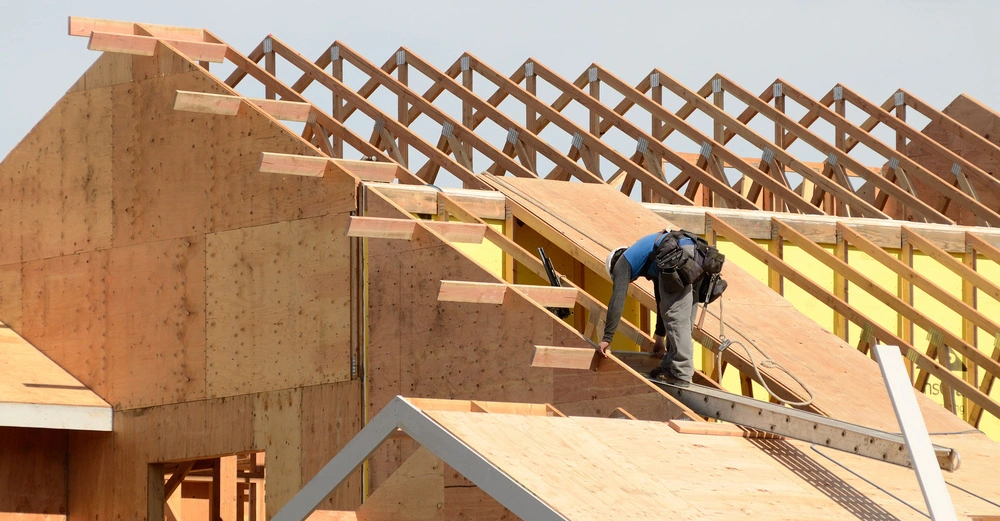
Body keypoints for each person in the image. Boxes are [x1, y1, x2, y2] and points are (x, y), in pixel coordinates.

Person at [598, 231, 702, 386]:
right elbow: (661, 301)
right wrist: (659, 337)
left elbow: (617, 300)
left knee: (676, 317)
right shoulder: (649, 258)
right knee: (683, 320)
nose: (630, 281)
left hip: (678, 256)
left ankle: (681, 374)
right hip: (695, 256)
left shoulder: (622, 264)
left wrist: (607, 338)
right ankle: (670, 367)